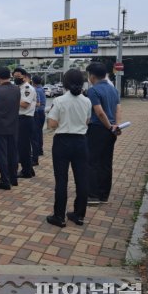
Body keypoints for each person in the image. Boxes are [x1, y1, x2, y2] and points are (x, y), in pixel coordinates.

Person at [46, 69, 92, 227]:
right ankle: (79, 215)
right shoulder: (87, 101)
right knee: (82, 179)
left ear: (65, 83)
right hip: (81, 141)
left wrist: (64, 124)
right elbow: (87, 121)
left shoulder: (59, 101)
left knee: (61, 179)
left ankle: (59, 216)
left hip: (62, 142)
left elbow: (51, 124)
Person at [85, 62, 122, 205]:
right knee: (106, 162)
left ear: (92, 76)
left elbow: (99, 112)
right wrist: (115, 126)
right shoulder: (114, 90)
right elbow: (118, 109)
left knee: (92, 162)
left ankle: (93, 195)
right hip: (111, 131)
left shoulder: (93, 91)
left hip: (98, 129)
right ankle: (104, 194)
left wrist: (108, 126)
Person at [0, 66, 20, 189]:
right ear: (10, 76)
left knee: (2, 154)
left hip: (0, 126)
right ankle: (14, 178)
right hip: (14, 126)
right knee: (13, 152)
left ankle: (4, 181)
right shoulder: (17, 89)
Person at [13, 68, 36, 178]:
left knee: (24, 147)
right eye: (15, 77)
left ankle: (26, 171)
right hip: (20, 119)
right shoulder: (19, 88)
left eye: (19, 76)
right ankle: (29, 169)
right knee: (22, 146)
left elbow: (24, 104)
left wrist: (11, 100)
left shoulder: (28, 88)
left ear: (24, 76)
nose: (16, 78)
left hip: (25, 119)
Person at [31, 75, 46, 165]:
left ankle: (36, 151)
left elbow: (37, 103)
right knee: (39, 132)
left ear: (33, 82)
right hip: (42, 112)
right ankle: (40, 149)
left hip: (37, 112)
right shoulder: (42, 89)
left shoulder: (36, 90)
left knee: (35, 134)